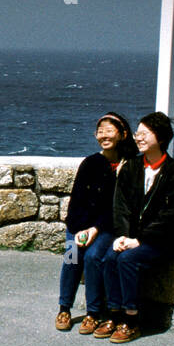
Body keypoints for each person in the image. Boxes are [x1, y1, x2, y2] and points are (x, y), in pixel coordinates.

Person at [96, 111, 174, 344]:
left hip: (165, 241)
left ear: (160, 138)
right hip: (132, 237)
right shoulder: (131, 168)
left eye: (144, 133)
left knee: (127, 259)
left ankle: (132, 319)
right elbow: (120, 207)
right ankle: (114, 314)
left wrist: (140, 239)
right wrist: (122, 236)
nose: (138, 138)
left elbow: (173, 216)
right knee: (110, 256)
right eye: (137, 133)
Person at [55, 112, 137, 333]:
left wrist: (95, 229)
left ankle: (93, 313)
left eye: (109, 131)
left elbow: (117, 207)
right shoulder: (91, 163)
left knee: (93, 257)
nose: (104, 136)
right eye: (100, 132)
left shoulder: (129, 166)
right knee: (71, 256)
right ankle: (64, 308)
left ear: (123, 134)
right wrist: (79, 231)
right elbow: (77, 201)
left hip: (106, 227)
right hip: (79, 225)